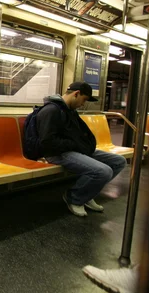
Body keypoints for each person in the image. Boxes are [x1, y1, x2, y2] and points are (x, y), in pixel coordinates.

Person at [37, 81, 127, 217]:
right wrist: (76, 144)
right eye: (83, 99)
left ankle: (87, 193)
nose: (83, 104)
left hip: (74, 149)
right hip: (57, 153)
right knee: (103, 171)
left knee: (119, 161)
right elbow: (48, 142)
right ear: (76, 94)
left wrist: (81, 145)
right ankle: (74, 197)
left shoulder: (69, 111)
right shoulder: (51, 111)